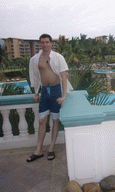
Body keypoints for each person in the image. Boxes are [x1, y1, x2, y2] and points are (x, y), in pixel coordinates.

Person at [27, 34, 73, 162]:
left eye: (47, 42)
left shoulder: (58, 58)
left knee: (55, 120)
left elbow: (64, 77)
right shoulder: (35, 59)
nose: (45, 44)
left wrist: (63, 95)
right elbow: (35, 77)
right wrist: (36, 92)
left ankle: (51, 147)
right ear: (40, 44)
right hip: (44, 92)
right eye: (42, 42)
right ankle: (39, 150)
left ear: (51, 43)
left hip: (56, 90)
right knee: (42, 121)